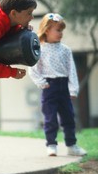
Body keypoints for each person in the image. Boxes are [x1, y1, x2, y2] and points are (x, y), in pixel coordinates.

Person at [28, 13, 87, 157]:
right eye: (58, 30)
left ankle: (71, 145)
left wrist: (73, 89)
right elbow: (33, 68)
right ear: (47, 30)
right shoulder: (40, 49)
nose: (61, 33)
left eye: (62, 30)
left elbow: (71, 70)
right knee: (50, 118)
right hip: (49, 88)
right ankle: (51, 145)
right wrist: (42, 83)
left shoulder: (65, 50)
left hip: (64, 87)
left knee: (68, 117)